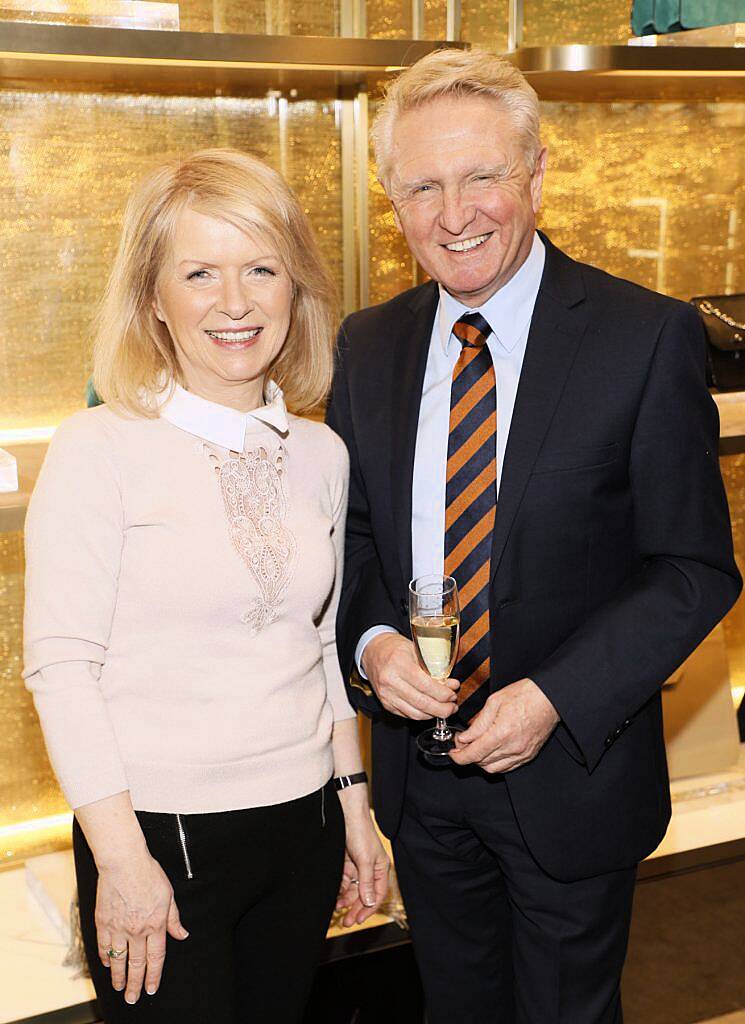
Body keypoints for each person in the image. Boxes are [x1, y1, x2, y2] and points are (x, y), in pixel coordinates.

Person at [326, 48, 741, 1024]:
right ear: (392, 200)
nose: (454, 212)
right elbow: (349, 537)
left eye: (482, 176)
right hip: (420, 789)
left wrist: (553, 698)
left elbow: (692, 570)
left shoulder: (645, 337)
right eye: (422, 185)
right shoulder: (367, 344)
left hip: (572, 781)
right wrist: (373, 642)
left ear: (538, 176)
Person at [24, 148, 389, 1024]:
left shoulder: (320, 453)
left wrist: (355, 811)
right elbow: (60, 668)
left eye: (260, 269)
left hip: (301, 828)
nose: (235, 302)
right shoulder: (97, 448)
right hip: (155, 837)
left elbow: (321, 646)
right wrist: (120, 860)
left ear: (293, 288)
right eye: (200, 273)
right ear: (154, 297)